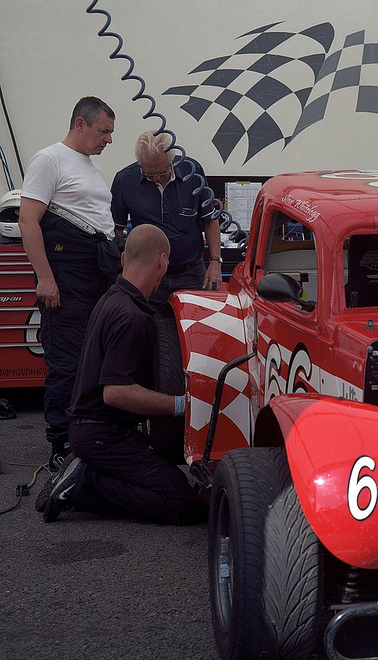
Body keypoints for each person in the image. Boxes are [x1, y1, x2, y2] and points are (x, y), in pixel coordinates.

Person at [41, 224, 205, 525]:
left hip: (92, 429)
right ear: (163, 262)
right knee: (184, 504)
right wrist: (182, 404)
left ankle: (90, 473)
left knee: (166, 478)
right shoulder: (132, 317)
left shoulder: (111, 299)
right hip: (103, 435)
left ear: (123, 260)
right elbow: (116, 393)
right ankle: (82, 485)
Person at [19, 96, 123, 468]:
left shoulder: (90, 167)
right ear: (80, 123)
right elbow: (28, 221)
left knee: (96, 357)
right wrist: (45, 279)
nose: (108, 139)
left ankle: (90, 435)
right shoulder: (49, 159)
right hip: (67, 269)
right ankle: (61, 445)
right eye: (104, 131)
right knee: (68, 360)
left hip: (97, 266)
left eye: (111, 132)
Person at [110, 131, 222, 313]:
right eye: (149, 174)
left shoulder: (192, 173)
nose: (155, 179)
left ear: (172, 161)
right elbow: (116, 231)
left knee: (194, 329)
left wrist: (215, 263)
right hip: (147, 274)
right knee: (148, 331)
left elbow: (210, 219)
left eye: (161, 173)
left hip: (191, 272)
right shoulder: (124, 180)